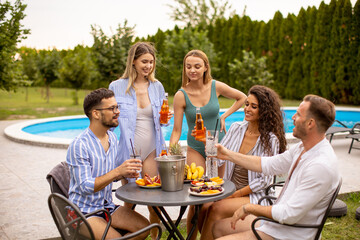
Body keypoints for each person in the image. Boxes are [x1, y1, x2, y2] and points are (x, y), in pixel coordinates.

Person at [213, 94, 340, 240]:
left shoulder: (320, 166)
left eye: (298, 114)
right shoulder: (302, 148)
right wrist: (228, 154)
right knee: (218, 227)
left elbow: (288, 215)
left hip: (290, 234)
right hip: (276, 225)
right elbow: (267, 164)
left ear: (310, 123)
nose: (293, 117)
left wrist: (249, 208)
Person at [169, 49, 246, 238]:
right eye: (188, 66)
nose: (192, 70)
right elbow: (177, 130)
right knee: (197, 199)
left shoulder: (215, 86)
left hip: (217, 147)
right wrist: (171, 152)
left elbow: (242, 97)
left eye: (197, 66)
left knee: (214, 197)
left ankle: (209, 235)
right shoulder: (181, 95)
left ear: (205, 67)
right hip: (196, 148)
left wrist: (224, 115)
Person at [198, 85, 287, 240]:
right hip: (230, 189)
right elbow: (220, 159)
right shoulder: (236, 128)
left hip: (255, 196)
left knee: (216, 208)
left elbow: (264, 182)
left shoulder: (270, 139)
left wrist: (233, 195)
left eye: (254, 106)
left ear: (264, 110)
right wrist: (210, 148)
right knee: (204, 206)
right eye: (247, 104)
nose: (247, 109)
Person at [67, 88, 150, 240]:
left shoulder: (111, 138)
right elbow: (86, 186)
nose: (117, 112)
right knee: (116, 238)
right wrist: (118, 172)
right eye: (112, 108)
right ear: (96, 113)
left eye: (117, 107)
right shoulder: (80, 145)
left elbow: (108, 173)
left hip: (106, 207)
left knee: (144, 228)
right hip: (83, 212)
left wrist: (124, 173)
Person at [109, 41, 171, 240]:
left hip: (153, 148)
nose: (148, 66)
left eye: (151, 62)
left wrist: (165, 119)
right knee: (129, 199)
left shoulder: (157, 86)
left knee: (154, 199)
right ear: (133, 61)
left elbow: (160, 121)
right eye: (144, 61)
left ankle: (155, 237)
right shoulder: (117, 87)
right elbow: (111, 119)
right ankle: (130, 235)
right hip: (129, 151)